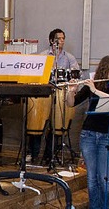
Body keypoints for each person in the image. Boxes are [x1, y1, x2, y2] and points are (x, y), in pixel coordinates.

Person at [66, 55, 109, 209]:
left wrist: (95, 90)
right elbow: (71, 103)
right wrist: (71, 91)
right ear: (104, 70)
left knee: (104, 178)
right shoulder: (93, 84)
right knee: (92, 178)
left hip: (108, 136)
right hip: (88, 134)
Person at [28, 28, 80, 163]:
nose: (61, 41)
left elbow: (77, 75)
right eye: (58, 39)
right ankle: (33, 154)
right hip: (45, 93)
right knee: (38, 124)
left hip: (61, 93)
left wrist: (73, 85)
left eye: (63, 38)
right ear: (51, 40)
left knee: (56, 125)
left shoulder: (69, 58)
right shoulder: (43, 56)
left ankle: (49, 155)